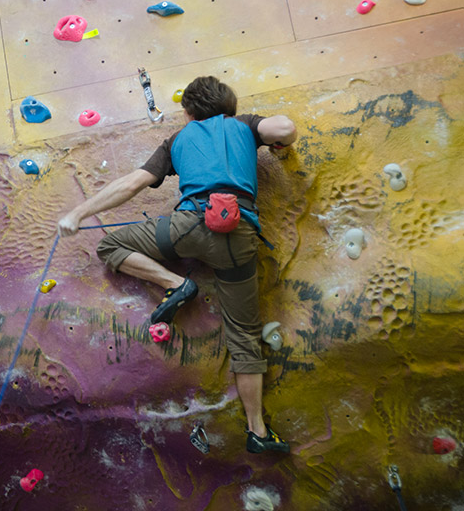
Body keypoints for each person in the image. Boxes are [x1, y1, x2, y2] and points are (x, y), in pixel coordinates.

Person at [58, 76, 297, 453]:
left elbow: (132, 183)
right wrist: (274, 141)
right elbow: (285, 128)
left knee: (112, 245)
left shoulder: (176, 140)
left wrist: (80, 212)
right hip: (238, 240)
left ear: (188, 113)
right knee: (245, 340)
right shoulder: (244, 126)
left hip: (186, 230)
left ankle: (175, 283)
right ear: (229, 105)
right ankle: (258, 432)